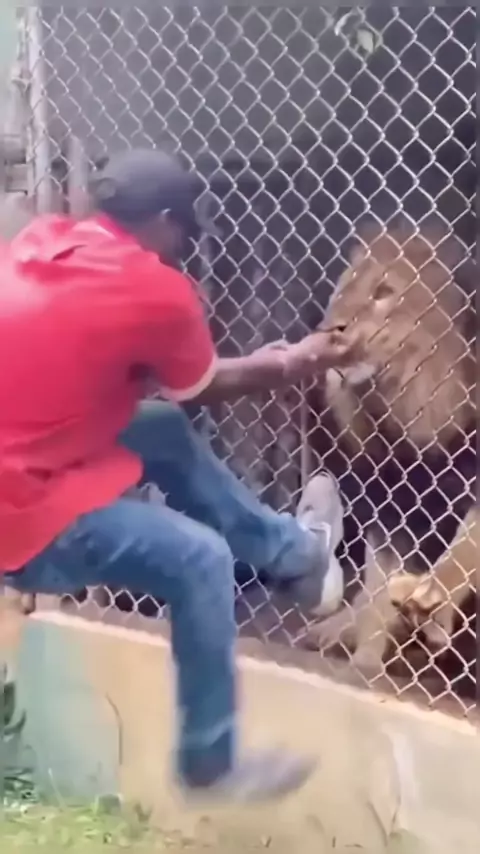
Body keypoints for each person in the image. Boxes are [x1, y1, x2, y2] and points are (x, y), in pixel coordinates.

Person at [0, 149, 350, 803]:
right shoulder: (156, 291)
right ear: (162, 220)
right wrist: (292, 362)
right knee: (199, 558)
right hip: (21, 515)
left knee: (159, 427)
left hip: (25, 452)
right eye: (183, 228)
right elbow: (201, 385)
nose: (185, 243)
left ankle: (296, 558)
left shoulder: (42, 242)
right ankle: (210, 763)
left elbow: (115, 364)